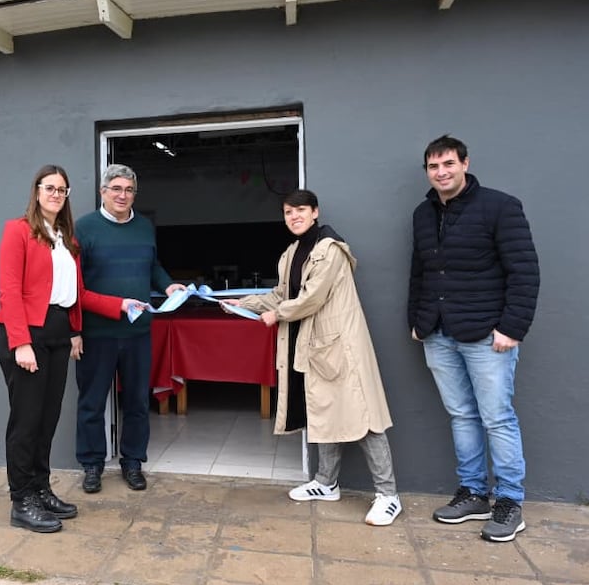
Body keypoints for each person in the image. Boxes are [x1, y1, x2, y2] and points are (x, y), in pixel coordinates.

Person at [223, 189, 402, 526]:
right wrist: (241, 303)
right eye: (288, 212)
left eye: (301, 210)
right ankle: (325, 482)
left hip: (341, 347)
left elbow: (311, 297)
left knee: (365, 419)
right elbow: (280, 294)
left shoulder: (329, 249)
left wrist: (277, 315)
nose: (294, 217)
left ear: (315, 212)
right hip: (314, 347)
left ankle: (388, 495)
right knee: (325, 414)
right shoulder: (292, 252)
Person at [0, 164, 143, 533]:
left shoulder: (65, 239)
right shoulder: (18, 230)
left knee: (47, 420)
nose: (56, 195)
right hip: (27, 336)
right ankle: (21, 500)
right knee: (26, 422)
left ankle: (40, 489)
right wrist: (21, 343)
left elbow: (77, 295)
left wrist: (118, 306)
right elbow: (9, 291)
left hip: (59, 335)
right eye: (50, 188)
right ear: (37, 190)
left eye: (62, 190)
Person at [409, 135, 539, 543]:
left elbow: (524, 272)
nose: (441, 172)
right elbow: (420, 271)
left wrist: (512, 328)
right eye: (433, 167)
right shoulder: (423, 213)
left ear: (465, 163)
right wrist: (417, 320)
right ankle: (473, 493)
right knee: (462, 416)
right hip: (439, 332)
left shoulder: (501, 206)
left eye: (448, 163)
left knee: (497, 417)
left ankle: (509, 502)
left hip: (488, 335)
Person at [74, 163, 186, 493]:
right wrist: (76, 330)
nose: (123, 195)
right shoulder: (83, 229)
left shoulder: (144, 227)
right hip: (97, 333)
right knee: (92, 403)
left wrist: (168, 286)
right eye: (116, 189)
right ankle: (92, 465)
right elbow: (75, 287)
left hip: (138, 333)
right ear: (103, 192)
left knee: (138, 401)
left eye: (129, 190)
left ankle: (133, 462)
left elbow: (153, 267)